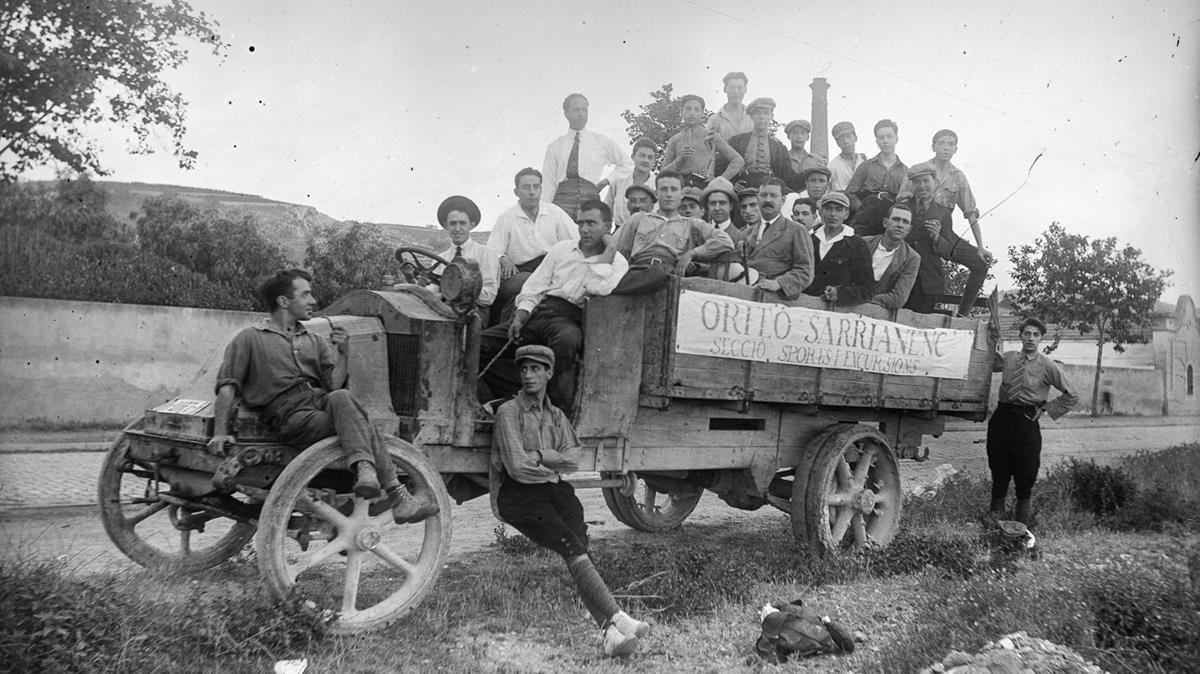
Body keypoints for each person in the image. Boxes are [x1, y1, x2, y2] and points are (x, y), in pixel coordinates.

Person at [209, 269, 437, 523]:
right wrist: (220, 431)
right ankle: (395, 493)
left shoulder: (315, 340)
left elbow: (335, 386)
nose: (313, 301)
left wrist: (344, 353)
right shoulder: (249, 338)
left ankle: (368, 472)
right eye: (305, 294)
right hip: (289, 416)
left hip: (321, 404)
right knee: (361, 422)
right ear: (284, 301)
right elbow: (227, 387)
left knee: (341, 398)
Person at [493, 344, 650, 657]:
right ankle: (620, 618)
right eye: (524, 369)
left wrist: (540, 455)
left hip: (555, 490)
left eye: (536, 369)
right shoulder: (507, 413)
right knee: (572, 547)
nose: (528, 375)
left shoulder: (556, 416)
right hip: (519, 495)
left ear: (549, 373)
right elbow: (517, 467)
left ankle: (610, 635)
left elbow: (573, 460)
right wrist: (552, 459)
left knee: (580, 547)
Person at [479, 200, 628, 413]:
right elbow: (534, 286)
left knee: (567, 343)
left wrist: (610, 248)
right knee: (480, 344)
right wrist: (520, 315)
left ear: (607, 226)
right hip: (540, 312)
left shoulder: (617, 261)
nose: (584, 229)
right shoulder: (562, 249)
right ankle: (510, 399)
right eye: (581, 223)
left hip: (571, 317)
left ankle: (549, 407)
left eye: (591, 224)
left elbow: (597, 288)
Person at [987, 317, 1079, 525]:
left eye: (1035, 335)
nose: (1031, 338)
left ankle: (1021, 526)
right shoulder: (1009, 358)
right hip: (1001, 419)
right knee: (998, 469)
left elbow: (1072, 395)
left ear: (1041, 339)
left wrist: (1048, 408)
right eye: (1027, 333)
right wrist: (988, 339)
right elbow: (987, 362)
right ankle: (995, 522)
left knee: (1025, 473)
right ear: (1020, 336)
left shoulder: (1047, 366)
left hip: (1026, 422)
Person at [612, 170, 735, 294]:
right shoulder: (638, 219)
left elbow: (726, 242)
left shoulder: (692, 224)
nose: (669, 194)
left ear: (681, 194)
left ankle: (614, 289)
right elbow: (613, 249)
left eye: (674, 189)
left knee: (660, 271)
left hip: (671, 277)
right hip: (638, 271)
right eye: (664, 189)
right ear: (656, 193)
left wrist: (691, 254)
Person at [488, 167, 579, 324]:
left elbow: (576, 239)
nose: (532, 192)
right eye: (526, 187)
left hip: (552, 268)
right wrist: (502, 258)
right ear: (516, 192)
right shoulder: (507, 217)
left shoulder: (554, 212)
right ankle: (510, 328)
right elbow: (492, 250)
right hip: (521, 272)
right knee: (534, 286)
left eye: (536, 186)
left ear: (541, 189)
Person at [896, 163, 989, 316]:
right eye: (917, 182)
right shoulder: (902, 208)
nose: (922, 186)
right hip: (901, 279)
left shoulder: (943, 213)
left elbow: (948, 251)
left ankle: (963, 314)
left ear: (935, 183)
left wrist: (937, 237)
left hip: (927, 283)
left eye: (926, 181)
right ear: (911, 185)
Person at [542, 93, 633, 216]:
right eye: (576, 110)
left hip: (590, 199)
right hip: (562, 201)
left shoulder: (601, 141)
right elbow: (548, 184)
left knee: (590, 233)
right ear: (566, 114)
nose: (581, 114)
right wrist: (545, 213)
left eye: (584, 110)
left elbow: (627, 164)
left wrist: (606, 181)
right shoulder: (555, 146)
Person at [739, 177, 814, 299]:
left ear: (783, 200)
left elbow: (805, 271)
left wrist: (779, 283)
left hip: (776, 298)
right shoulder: (746, 233)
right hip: (746, 294)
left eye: (773, 196)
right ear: (758, 199)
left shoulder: (796, 230)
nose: (768, 200)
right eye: (763, 195)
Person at [429, 196, 500, 322]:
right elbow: (434, 290)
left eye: (462, 223)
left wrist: (460, 289)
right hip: (443, 309)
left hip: (474, 311)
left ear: (471, 225)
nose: (457, 229)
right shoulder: (439, 259)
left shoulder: (486, 254)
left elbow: (488, 297)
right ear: (446, 225)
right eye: (452, 223)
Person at [803, 192, 874, 306]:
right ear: (820, 212)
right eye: (828, 209)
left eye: (838, 209)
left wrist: (840, 294)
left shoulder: (857, 245)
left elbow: (867, 289)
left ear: (846, 214)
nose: (833, 214)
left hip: (836, 314)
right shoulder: (808, 240)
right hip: (803, 307)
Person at [661, 93, 744, 187]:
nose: (692, 113)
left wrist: (720, 181)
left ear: (702, 113)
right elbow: (662, 174)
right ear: (681, 112)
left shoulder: (711, 136)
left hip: (704, 189)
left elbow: (738, 160)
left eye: (696, 109)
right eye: (688, 109)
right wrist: (680, 159)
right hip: (680, 189)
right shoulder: (674, 140)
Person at [845, 119, 908, 234]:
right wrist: (862, 209)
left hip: (890, 221)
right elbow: (850, 193)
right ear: (877, 141)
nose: (885, 141)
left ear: (896, 139)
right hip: (865, 217)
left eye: (889, 136)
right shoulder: (866, 166)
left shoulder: (905, 172)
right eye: (881, 137)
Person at [723, 98, 797, 188]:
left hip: (769, 191)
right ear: (751, 116)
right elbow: (721, 167)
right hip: (742, 191)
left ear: (771, 116)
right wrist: (731, 184)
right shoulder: (736, 141)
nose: (762, 117)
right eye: (757, 113)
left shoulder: (779, 148)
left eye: (766, 113)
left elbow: (788, 177)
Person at [862, 204, 921, 310]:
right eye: (896, 219)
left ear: (909, 229)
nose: (900, 225)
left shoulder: (912, 258)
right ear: (885, 223)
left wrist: (864, 299)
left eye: (905, 222)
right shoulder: (863, 243)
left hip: (880, 313)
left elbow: (898, 298)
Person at [607, 136, 657, 228]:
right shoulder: (619, 180)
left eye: (650, 157)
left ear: (654, 161)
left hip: (650, 234)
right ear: (633, 157)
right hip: (620, 231)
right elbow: (607, 208)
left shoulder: (658, 184)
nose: (646, 160)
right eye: (642, 156)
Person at [706, 71, 753, 141]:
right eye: (732, 87)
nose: (736, 91)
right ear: (725, 89)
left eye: (740, 87)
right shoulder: (715, 119)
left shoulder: (753, 117)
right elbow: (708, 147)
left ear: (745, 89)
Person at [784, 119, 825, 189]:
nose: (799, 136)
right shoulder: (782, 158)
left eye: (802, 133)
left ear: (807, 137)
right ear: (788, 136)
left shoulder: (816, 159)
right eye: (795, 133)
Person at [826, 121, 867, 192]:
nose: (846, 141)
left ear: (855, 137)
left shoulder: (864, 162)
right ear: (837, 143)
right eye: (841, 138)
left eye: (848, 136)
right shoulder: (832, 167)